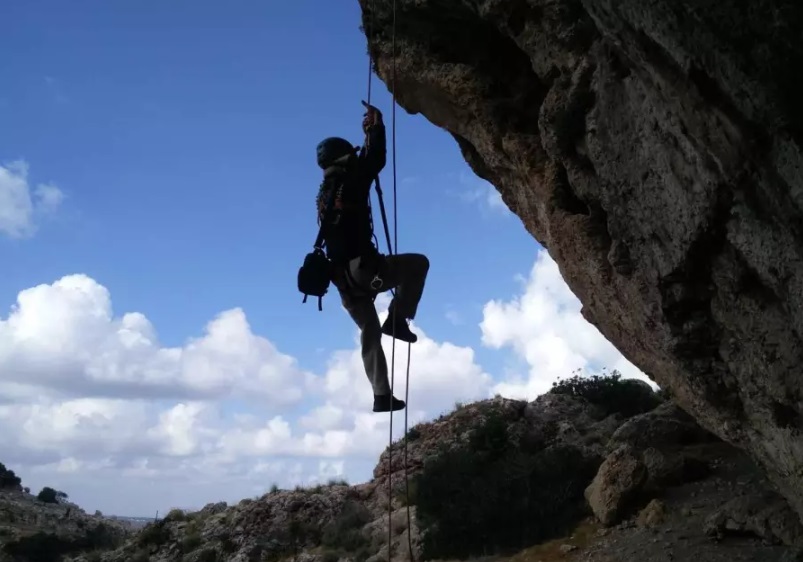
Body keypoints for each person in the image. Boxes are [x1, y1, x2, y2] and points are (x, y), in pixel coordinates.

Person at [315, 101, 430, 413]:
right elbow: (374, 160)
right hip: (365, 271)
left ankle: (382, 396)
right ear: (345, 158)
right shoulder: (350, 184)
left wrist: (366, 140)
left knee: (369, 333)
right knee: (418, 264)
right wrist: (376, 128)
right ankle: (396, 318)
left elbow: (364, 162)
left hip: (344, 283)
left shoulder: (324, 195)